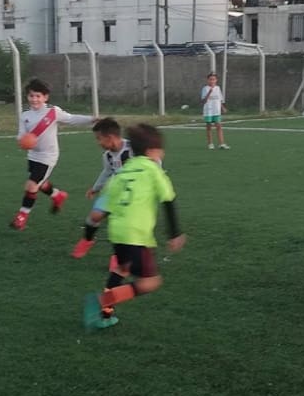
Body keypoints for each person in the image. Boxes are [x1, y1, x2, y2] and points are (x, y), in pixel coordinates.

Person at [82, 123, 185, 330]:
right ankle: (103, 301)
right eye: (160, 149)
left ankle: (105, 314)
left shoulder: (120, 173)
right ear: (151, 151)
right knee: (150, 282)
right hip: (136, 234)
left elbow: (101, 211)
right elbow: (168, 200)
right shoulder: (154, 170)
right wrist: (174, 234)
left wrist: (89, 232)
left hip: (117, 232)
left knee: (122, 268)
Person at [11, 78, 95, 231]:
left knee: (31, 185)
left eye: (38, 96)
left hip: (48, 156)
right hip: (33, 155)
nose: (34, 99)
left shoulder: (52, 111)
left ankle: (22, 216)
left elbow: (71, 119)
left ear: (45, 97)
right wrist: (22, 141)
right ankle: (57, 195)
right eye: (31, 96)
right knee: (41, 183)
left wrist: (92, 119)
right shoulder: (25, 115)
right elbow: (21, 134)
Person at [71, 117, 131, 259]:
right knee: (95, 216)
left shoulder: (134, 149)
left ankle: (118, 258)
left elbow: (153, 161)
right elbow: (107, 172)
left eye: (99, 139)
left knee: (121, 226)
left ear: (110, 137)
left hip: (132, 195)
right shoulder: (108, 156)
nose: (98, 143)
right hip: (113, 190)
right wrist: (95, 188)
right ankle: (87, 240)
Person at [201, 72, 229, 150]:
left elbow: (219, 99)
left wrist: (222, 107)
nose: (212, 81)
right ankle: (210, 143)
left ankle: (221, 143)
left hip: (216, 110)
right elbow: (204, 101)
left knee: (219, 126)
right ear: (207, 80)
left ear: (216, 80)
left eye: (213, 79)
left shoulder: (218, 88)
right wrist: (209, 92)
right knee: (209, 127)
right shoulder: (205, 88)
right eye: (210, 79)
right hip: (208, 110)